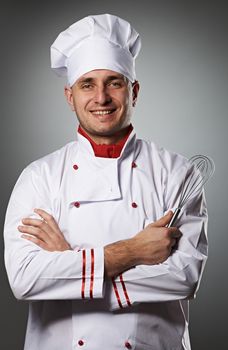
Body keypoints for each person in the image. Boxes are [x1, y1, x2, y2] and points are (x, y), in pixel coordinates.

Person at [4, 13, 208, 350]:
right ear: (70, 96)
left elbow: (184, 277)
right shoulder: (39, 177)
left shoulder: (177, 172)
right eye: (88, 84)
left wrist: (68, 263)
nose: (101, 97)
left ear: (134, 91)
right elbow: (25, 278)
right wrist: (133, 251)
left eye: (114, 81)